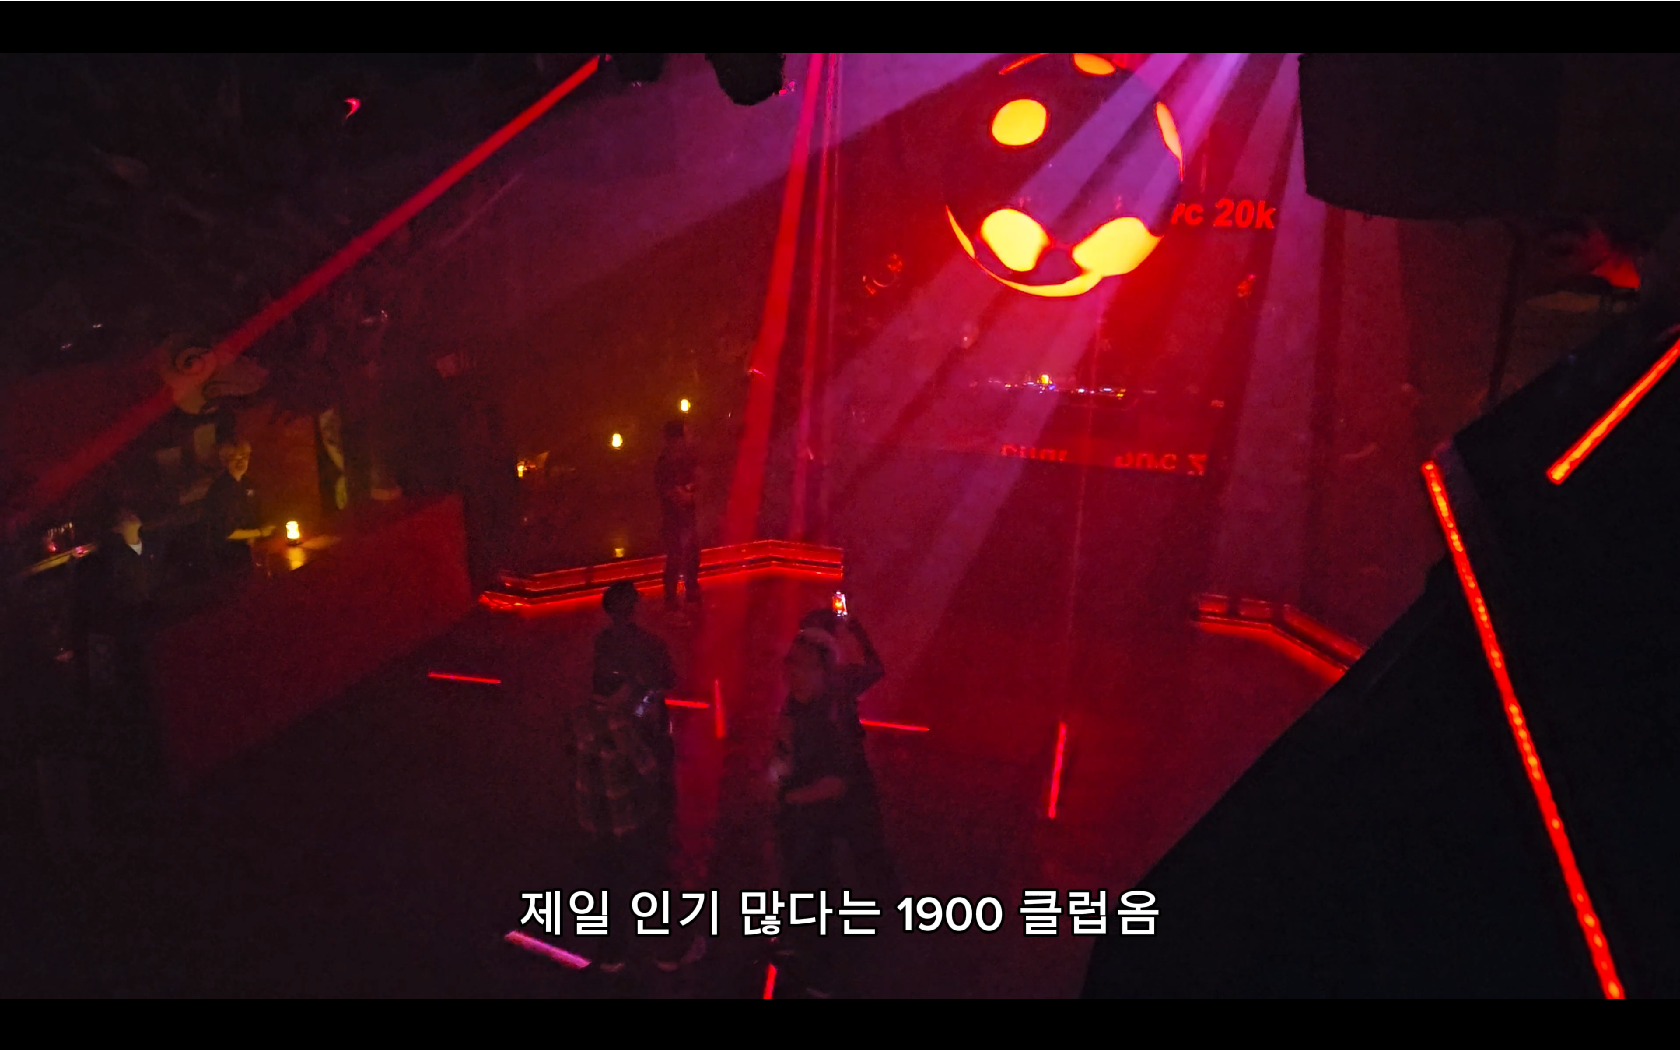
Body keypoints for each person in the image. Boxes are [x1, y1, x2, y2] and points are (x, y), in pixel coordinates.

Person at [769, 626, 895, 997]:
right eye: (790, 662)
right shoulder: (801, 701)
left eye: (803, 665)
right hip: (810, 813)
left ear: (825, 672)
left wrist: (785, 798)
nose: (792, 671)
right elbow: (787, 740)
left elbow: (837, 784)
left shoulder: (830, 717)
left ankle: (824, 970)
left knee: (826, 878)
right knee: (805, 878)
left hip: (828, 809)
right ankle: (802, 942)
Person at [590, 580, 707, 972]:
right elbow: (666, 682)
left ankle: (613, 952)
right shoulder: (651, 646)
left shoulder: (602, 645)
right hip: (645, 754)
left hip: (609, 785)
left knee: (612, 863)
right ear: (636, 607)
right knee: (654, 852)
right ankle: (666, 949)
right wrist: (642, 708)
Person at [73, 505, 166, 839]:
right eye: (129, 518)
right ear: (117, 526)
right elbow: (136, 598)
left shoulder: (94, 562)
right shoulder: (116, 559)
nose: (135, 520)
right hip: (120, 647)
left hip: (100, 651)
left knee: (113, 717)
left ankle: (120, 804)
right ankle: (140, 800)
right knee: (130, 715)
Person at [794, 606, 898, 902]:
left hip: (816, 769)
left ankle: (820, 904)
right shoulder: (842, 677)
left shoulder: (801, 679)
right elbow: (876, 668)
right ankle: (880, 901)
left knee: (816, 841)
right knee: (865, 839)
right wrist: (857, 629)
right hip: (849, 767)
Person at [572, 665, 669, 975]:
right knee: (638, 882)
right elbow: (648, 769)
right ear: (617, 690)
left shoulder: (580, 715)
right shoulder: (618, 723)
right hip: (623, 820)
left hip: (592, 820)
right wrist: (652, 731)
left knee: (605, 885)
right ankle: (657, 951)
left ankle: (610, 954)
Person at [199, 441, 274, 579]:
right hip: (227, 557)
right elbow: (226, 532)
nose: (241, 462)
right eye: (235, 458)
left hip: (248, 550)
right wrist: (259, 532)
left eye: (244, 457)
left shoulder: (248, 483)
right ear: (225, 462)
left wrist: (257, 533)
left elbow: (256, 512)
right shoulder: (221, 490)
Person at [654, 421, 701, 622]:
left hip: (684, 516)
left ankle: (688, 593)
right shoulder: (666, 462)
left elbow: (697, 480)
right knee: (676, 556)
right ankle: (672, 599)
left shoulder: (684, 459)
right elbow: (666, 489)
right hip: (674, 517)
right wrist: (683, 494)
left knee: (690, 554)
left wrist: (688, 491)